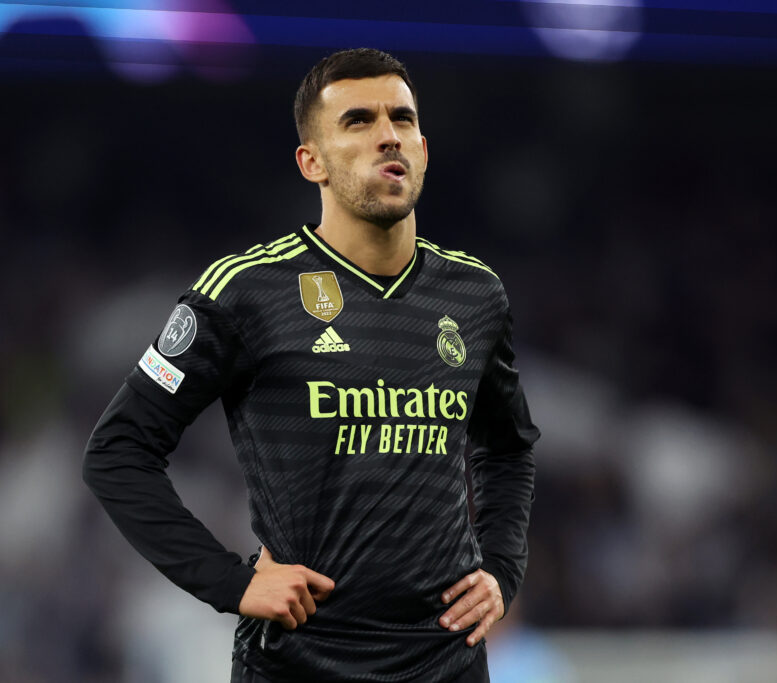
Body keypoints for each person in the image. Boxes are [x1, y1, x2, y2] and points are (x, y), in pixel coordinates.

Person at [83, 47, 539, 682]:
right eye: (358, 121)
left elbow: (510, 448)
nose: (388, 136)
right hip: (300, 665)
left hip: (446, 664)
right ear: (311, 161)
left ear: (424, 150)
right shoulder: (246, 291)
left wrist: (501, 570)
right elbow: (117, 451)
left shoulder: (475, 295)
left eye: (402, 119)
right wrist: (229, 582)